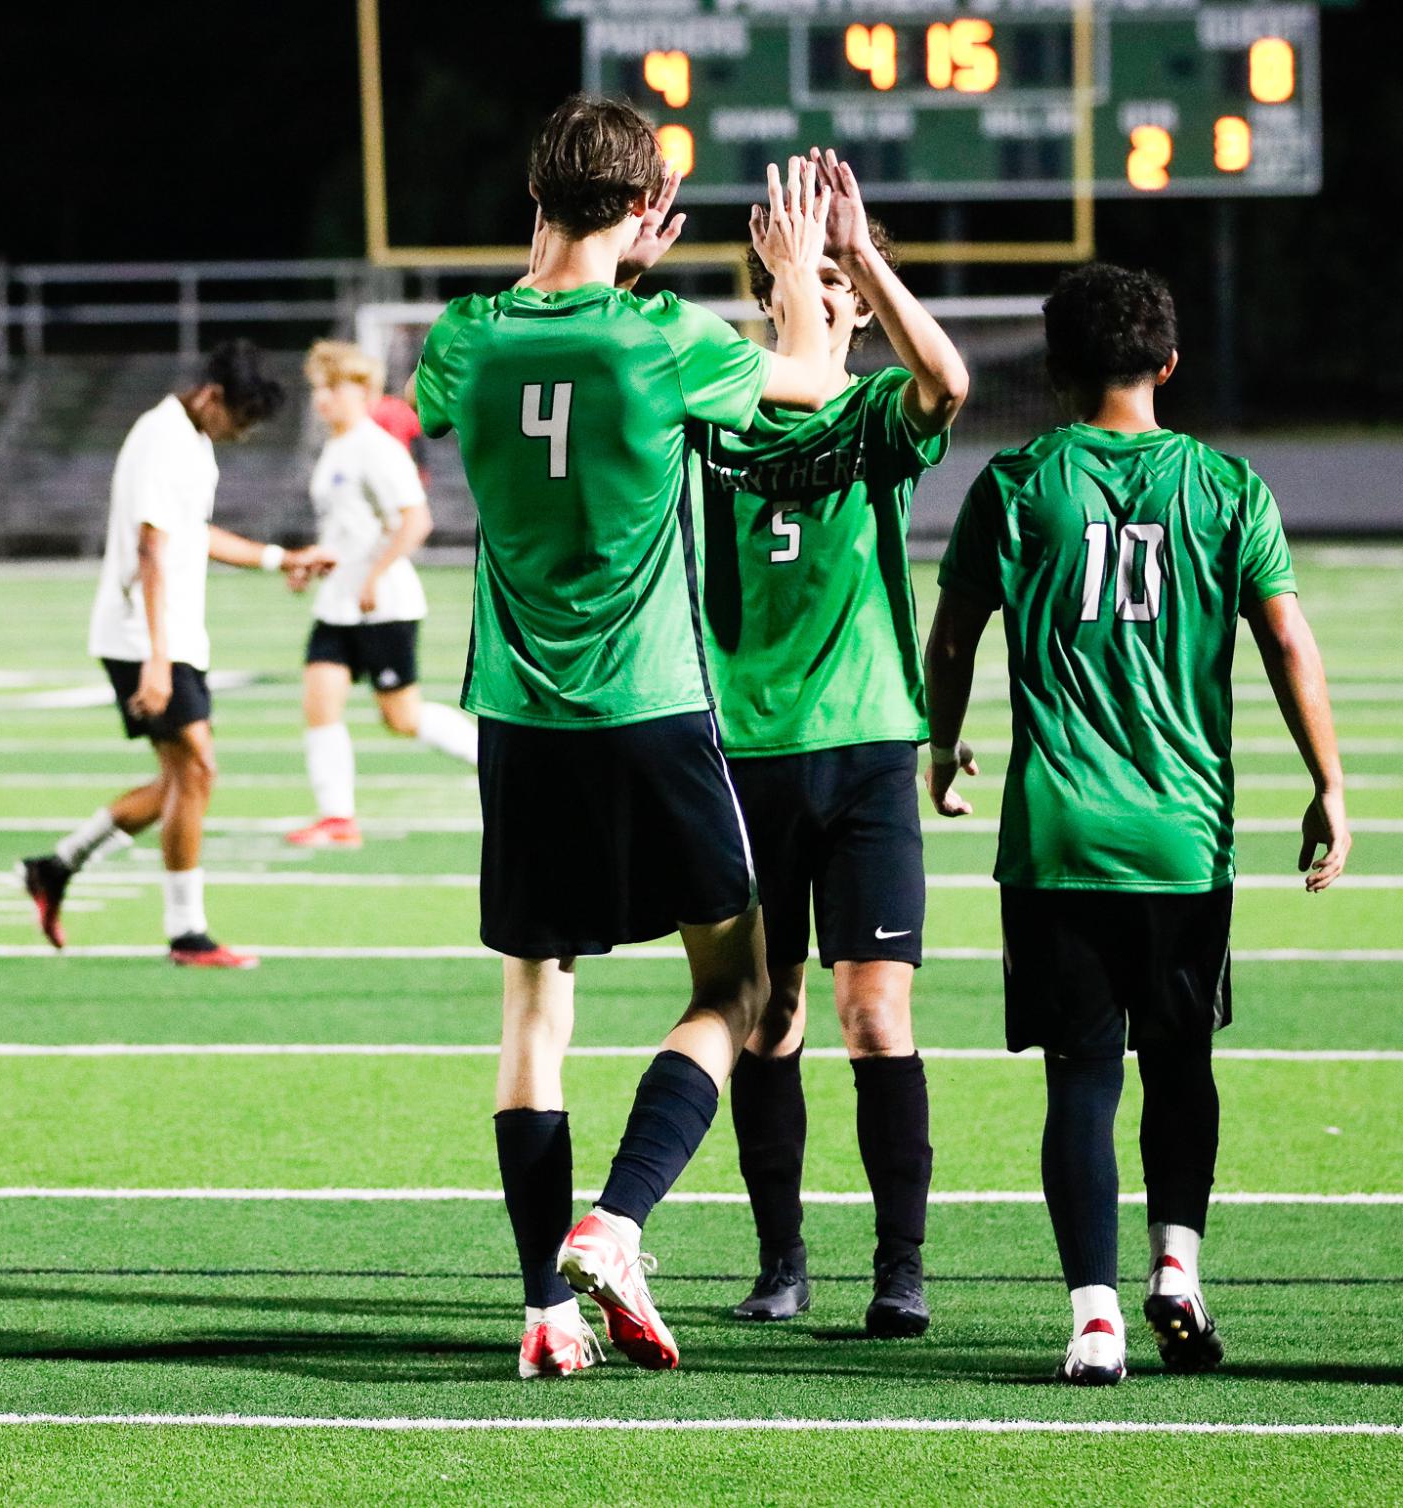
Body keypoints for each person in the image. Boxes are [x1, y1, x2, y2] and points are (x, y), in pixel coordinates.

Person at [411, 96, 837, 1378]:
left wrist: (575, 262)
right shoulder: (665, 336)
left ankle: (545, 1303)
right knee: (740, 987)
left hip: (521, 721)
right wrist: (793, 273)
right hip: (651, 709)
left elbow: (478, 375)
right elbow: (813, 381)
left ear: (533, 200)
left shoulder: (466, 336)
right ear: (650, 212)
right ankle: (621, 1214)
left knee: (534, 1010)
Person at [923, 262, 1350, 1385]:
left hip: (1058, 832)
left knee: (1080, 1076)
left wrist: (942, 740)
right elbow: (1290, 642)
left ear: (1054, 371)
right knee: (1181, 1061)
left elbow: (955, 633)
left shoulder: (1017, 482)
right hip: (1182, 835)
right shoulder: (1225, 486)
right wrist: (1330, 784)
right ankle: (1176, 1264)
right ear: (1168, 362)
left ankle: (1095, 1315)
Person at [699, 149, 969, 1336]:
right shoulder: (712, 422)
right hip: (742, 750)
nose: (821, 297)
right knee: (765, 1011)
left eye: (841, 287)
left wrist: (852, 254)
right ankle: (781, 1257)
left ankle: (899, 1265)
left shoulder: (874, 416)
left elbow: (948, 382)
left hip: (862, 747)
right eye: (799, 283)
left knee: (876, 1015)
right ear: (769, 302)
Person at [20, 340, 331, 966]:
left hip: (172, 636)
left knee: (179, 781)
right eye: (238, 419)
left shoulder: (193, 441)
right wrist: (159, 659)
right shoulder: (162, 438)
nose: (241, 434)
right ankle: (186, 931)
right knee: (198, 772)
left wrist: (278, 558)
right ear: (210, 396)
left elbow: (193, 532)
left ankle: (56, 866)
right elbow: (151, 551)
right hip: (144, 637)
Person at [286, 338, 476, 851]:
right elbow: (347, 529)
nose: (322, 398)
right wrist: (313, 560)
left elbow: (416, 521)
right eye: (318, 388)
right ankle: (337, 819)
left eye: (333, 388)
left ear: (363, 391)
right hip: (338, 606)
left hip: (383, 605)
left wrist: (373, 575)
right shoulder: (336, 447)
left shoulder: (376, 447)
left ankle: (498, 763)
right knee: (319, 705)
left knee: (402, 718)